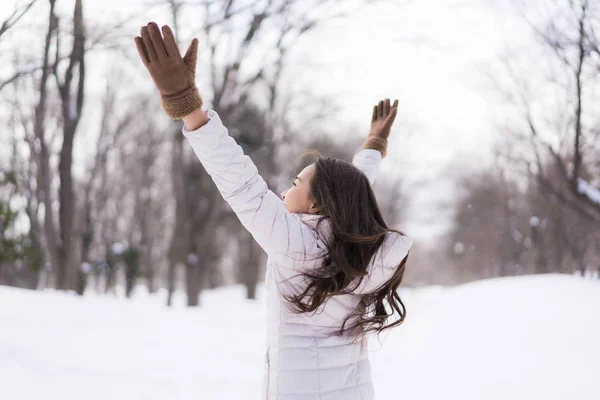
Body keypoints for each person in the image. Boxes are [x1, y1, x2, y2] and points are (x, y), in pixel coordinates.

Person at [135, 22, 413, 400]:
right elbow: (355, 191)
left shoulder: (296, 243)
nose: (285, 190)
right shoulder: (359, 250)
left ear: (318, 203)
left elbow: (241, 183)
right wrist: (373, 148)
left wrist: (189, 105)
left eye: (297, 183)